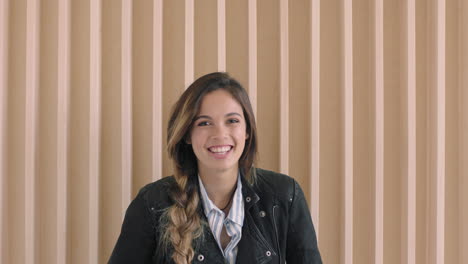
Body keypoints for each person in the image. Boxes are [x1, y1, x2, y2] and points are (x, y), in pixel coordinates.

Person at [109, 72, 322, 264]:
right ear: (187, 135)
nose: (220, 134)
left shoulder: (284, 195)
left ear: (247, 130)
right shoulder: (152, 204)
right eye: (204, 123)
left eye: (232, 120)